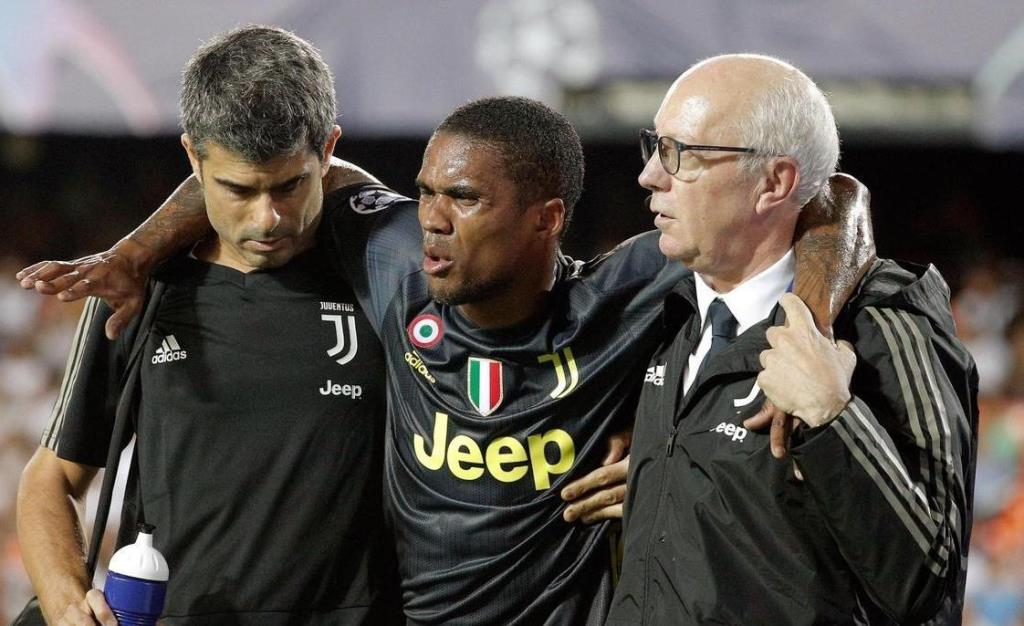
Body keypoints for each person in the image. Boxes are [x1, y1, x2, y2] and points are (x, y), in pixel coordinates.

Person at [18, 97, 868, 623]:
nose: (431, 216)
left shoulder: (625, 293)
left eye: (462, 198)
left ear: (546, 219)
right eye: (425, 192)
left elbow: (834, 194)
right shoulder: (397, 262)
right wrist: (132, 254)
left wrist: (807, 323)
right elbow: (290, 169)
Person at [16, 26, 403, 625]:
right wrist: (67, 603)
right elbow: (52, 478)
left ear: (328, 149)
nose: (267, 218)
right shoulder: (135, 292)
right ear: (193, 158)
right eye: (237, 189)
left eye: (290, 186)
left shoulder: (384, 278)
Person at [607, 53, 979, 625]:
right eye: (654, 146)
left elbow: (931, 582)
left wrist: (834, 417)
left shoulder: (881, 327)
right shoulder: (660, 309)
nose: (651, 175)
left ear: (774, 182)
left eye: (681, 153)